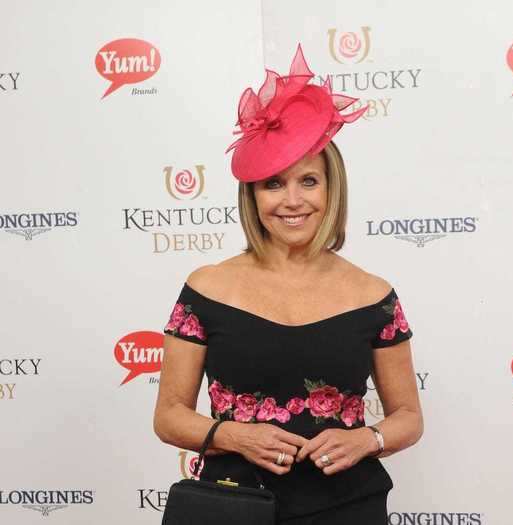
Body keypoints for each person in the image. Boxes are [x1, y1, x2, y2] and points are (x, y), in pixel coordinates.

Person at [153, 44, 423, 525]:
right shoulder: (207, 288)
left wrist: (368, 438)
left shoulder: (374, 296)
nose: (292, 200)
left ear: (331, 188)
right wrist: (236, 436)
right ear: (252, 195)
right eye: (273, 184)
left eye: (309, 182)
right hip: (233, 505)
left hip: (347, 507)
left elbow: (408, 417)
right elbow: (170, 414)